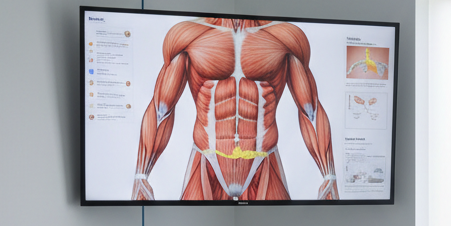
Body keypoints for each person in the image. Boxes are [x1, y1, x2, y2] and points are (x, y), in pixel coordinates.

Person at [132, 17, 336, 201]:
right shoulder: (189, 35)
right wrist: (141, 175)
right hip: (207, 158)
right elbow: (162, 108)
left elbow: (310, 109)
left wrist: (329, 175)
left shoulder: (284, 37)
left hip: (263, 159)